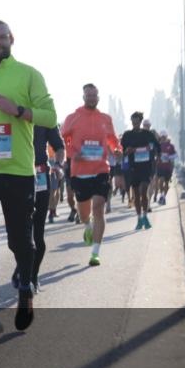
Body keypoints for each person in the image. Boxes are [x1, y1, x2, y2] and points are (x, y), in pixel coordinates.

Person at [0, 20, 57, 335]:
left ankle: (25, 288)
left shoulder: (29, 74)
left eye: (2, 37)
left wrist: (18, 110)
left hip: (18, 172)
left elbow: (49, 117)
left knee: (21, 241)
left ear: (11, 39)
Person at [61, 84, 121, 267]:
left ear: (98, 97)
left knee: (99, 208)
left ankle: (95, 252)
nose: (92, 98)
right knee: (84, 213)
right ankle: (87, 226)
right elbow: (65, 137)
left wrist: (117, 149)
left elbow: (112, 139)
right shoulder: (73, 117)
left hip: (101, 170)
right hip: (80, 172)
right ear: (83, 97)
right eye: (89, 95)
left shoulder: (105, 119)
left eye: (95, 95)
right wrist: (72, 153)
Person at [12, 123, 64, 292]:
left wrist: (58, 165)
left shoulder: (44, 116)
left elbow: (59, 146)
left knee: (38, 232)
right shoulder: (13, 112)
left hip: (40, 175)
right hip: (18, 175)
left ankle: (32, 276)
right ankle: (22, 267)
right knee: (19, 233)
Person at [120, 112, 161, 230]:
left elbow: (157, 146)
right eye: (133, 122)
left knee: (144, 190)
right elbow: (121, 150)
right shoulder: (127, 135)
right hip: (133, 168)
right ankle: (139, 218)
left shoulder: (147, 134)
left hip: (146, 167)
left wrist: (156, 155)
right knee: (136, 194)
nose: (135, 124)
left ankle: (145, 216)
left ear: (140, 122)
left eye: (137, 122)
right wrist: (127, 151)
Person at [155, 131, 177, 205]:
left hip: (168, 167)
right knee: (161, 181)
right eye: (162, 137)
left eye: (164, 137)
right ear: (160, 137)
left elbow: (174, 155)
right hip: (160, 166)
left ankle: (163, 197)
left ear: (166, 137)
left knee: (167, 183)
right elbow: (155, 155)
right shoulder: (157, 146)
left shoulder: (171, 146)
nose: (163, 138)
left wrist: (169, 157)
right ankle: (161, 195)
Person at [46, 142, 63, 224]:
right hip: (48, 162)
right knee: (52, 191)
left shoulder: (59, 137)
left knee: (57, 191)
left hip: (58, 163)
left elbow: (63, 150)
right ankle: (51, 213)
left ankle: (53, 209)